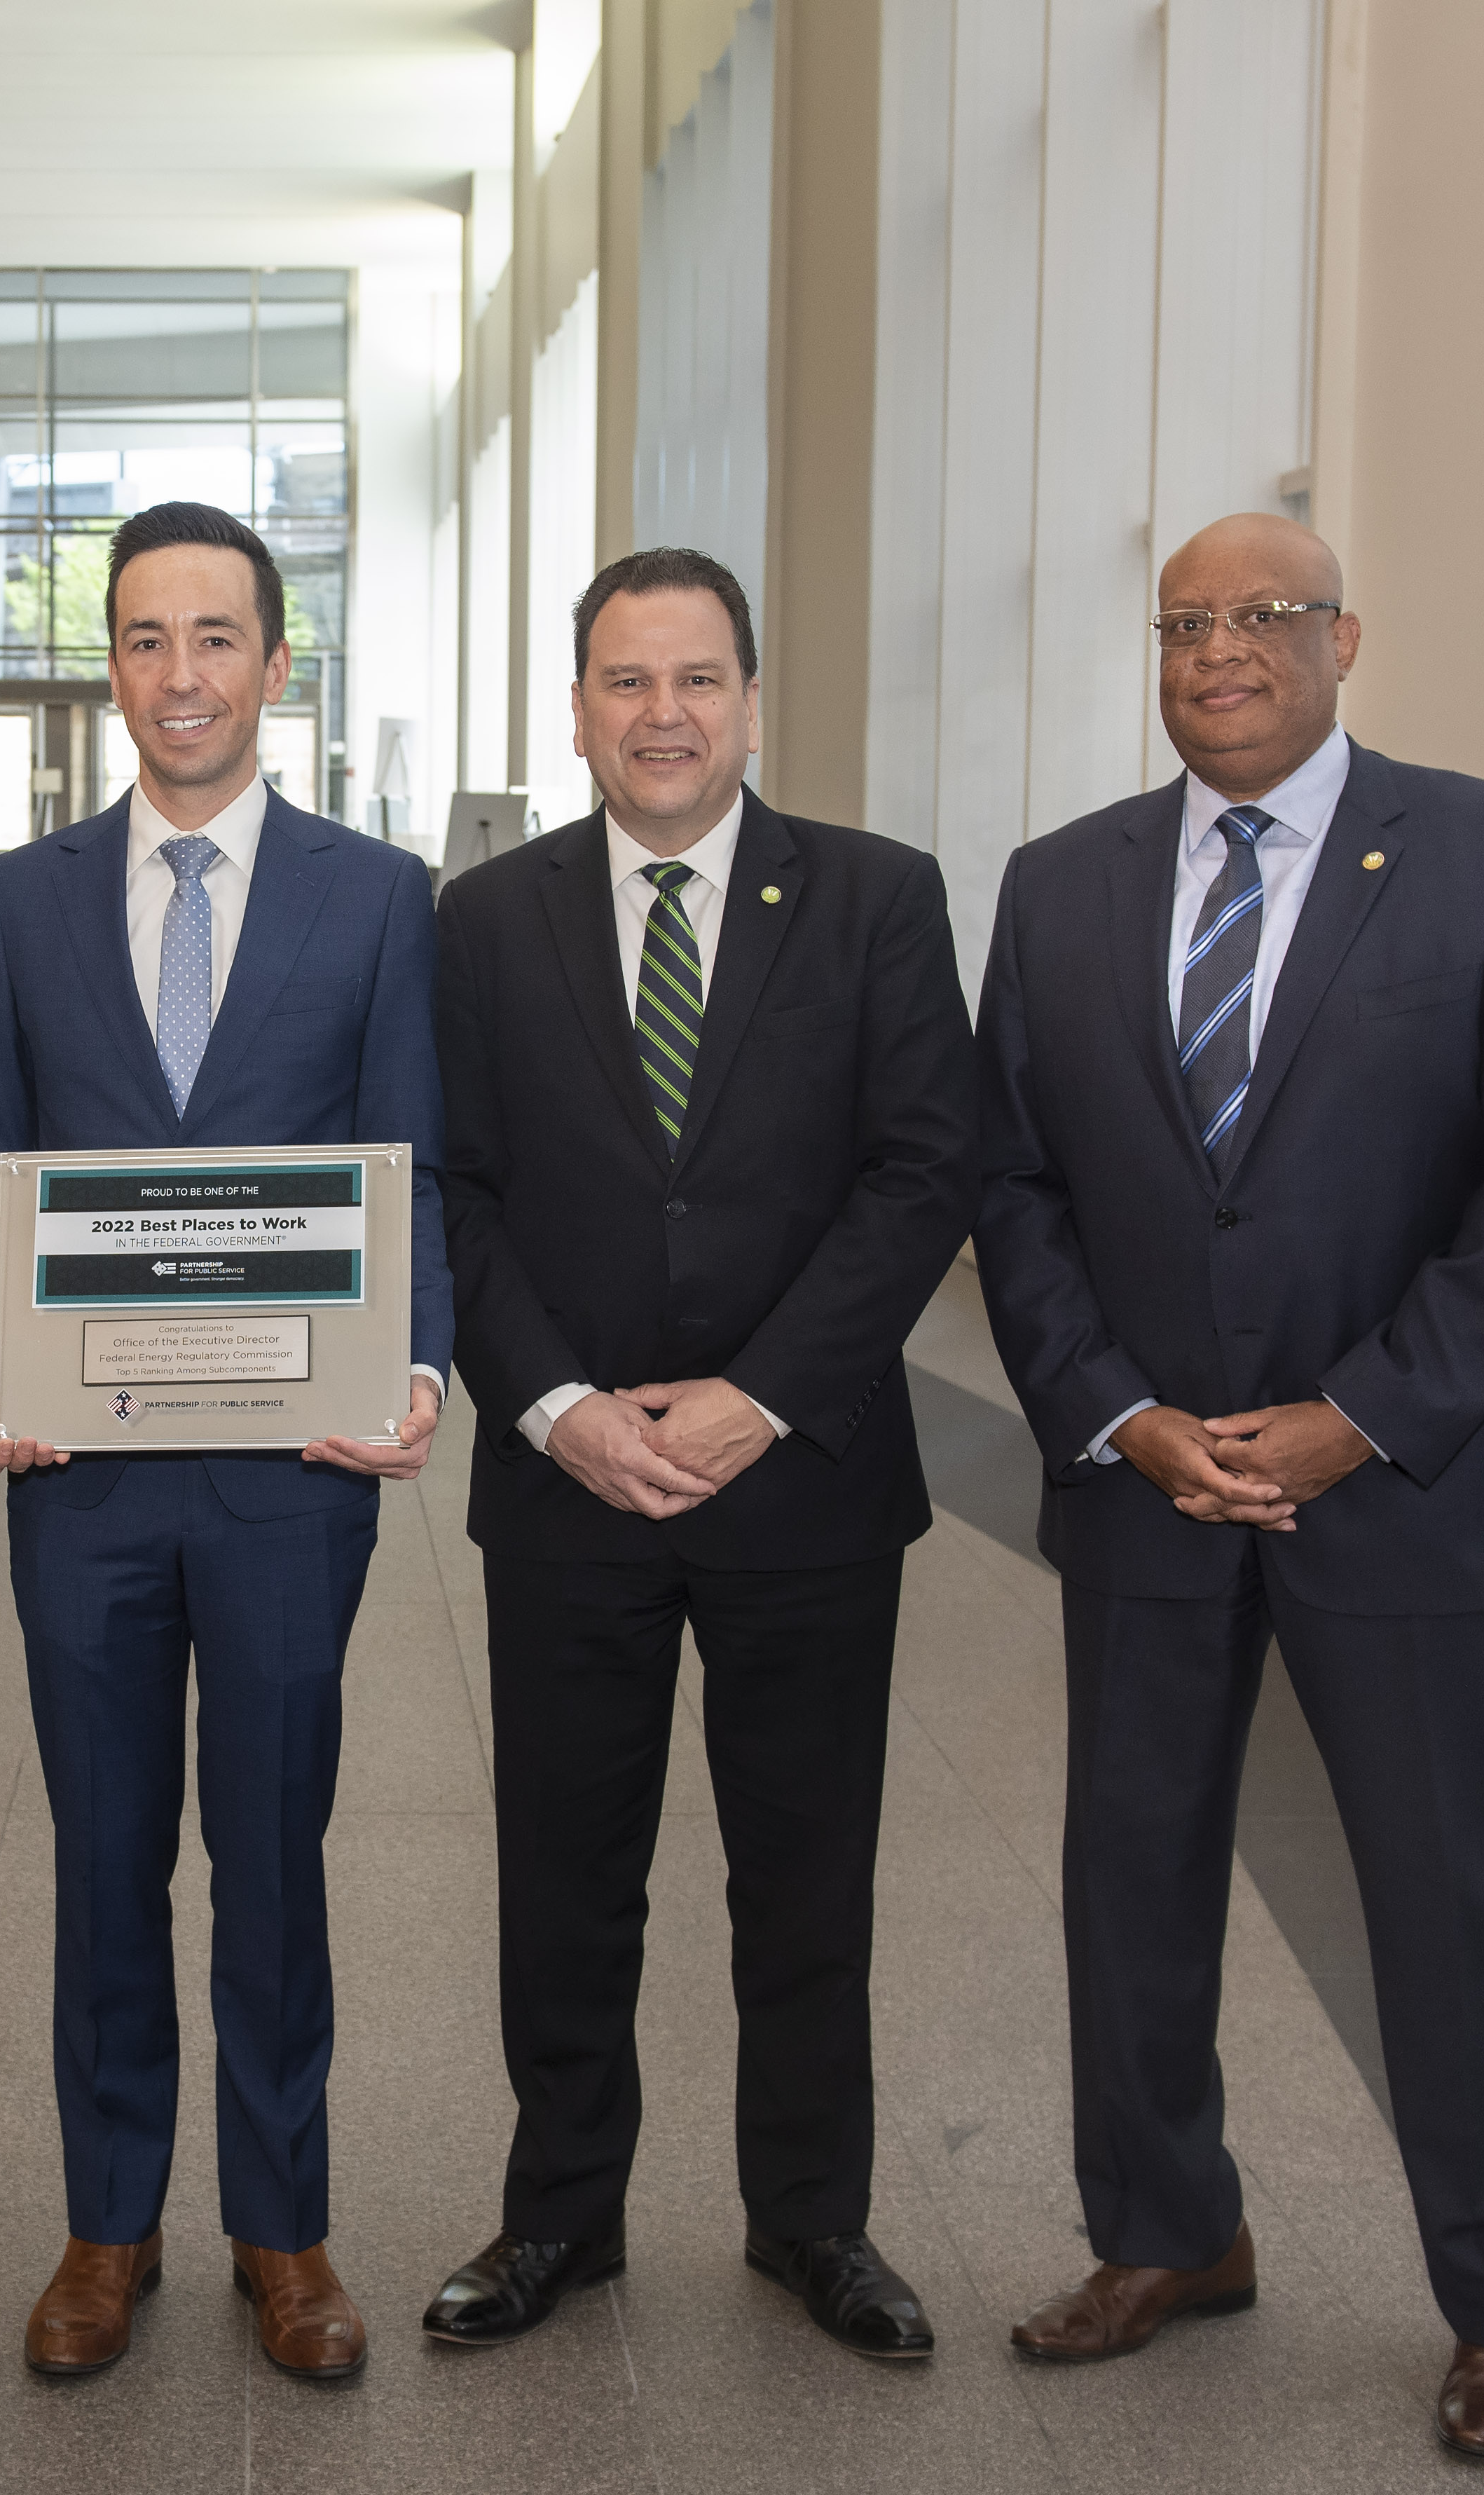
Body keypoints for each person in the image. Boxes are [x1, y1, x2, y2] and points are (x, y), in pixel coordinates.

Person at [973, 514, 1484, 2461]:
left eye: (1263, 618)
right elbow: (1012, 1188)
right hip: (1148, 1492)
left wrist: (1366, 1410)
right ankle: (1171, 2233)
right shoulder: (1062, 885)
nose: (1220, 654)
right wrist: (1114, 1412)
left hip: (1422, 1491)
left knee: (1460, 1913)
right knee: (1133, 1890)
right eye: (1186, 624)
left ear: (1345, 638)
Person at [422, 551, 976, 2359]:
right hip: (565, 1482)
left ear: (750, 698)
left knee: (802, 1875)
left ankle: (809, 2218)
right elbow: (460, 1192)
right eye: (622, 678)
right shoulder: (483, 921)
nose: (662, 713)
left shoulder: (879, 900)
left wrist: (763, 1391)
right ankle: (557, 2220)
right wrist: (559, 1404)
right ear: (571, 706)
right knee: (564, 1874)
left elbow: (919, 1172)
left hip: (800, 1480)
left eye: (697, 678)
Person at [0, 501, 452, 2383]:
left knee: (274, 1856)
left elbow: (406, 1173)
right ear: (113, 671)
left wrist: (417, 1367)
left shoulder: (377, 895)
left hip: (287, 1486)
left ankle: (284, 2230)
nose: (181, 675)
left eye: (216, 637)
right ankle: (106, 2226)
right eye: (145, 640)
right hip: (77, 1480)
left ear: (276, 665)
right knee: (98, 1855)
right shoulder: (24, 897)